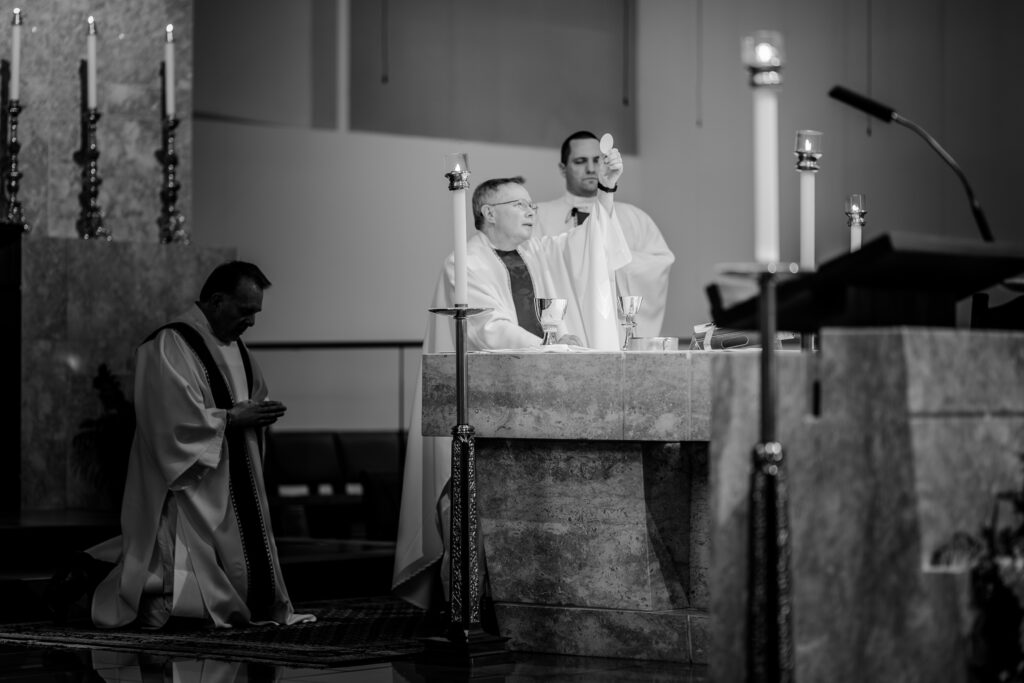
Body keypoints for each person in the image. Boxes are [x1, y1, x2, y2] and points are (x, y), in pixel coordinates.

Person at [392, 147, 632, 610]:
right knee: (474, 501)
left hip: (534, 393)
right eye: (519, 205)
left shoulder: (536, 251)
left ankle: (524, 598)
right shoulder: (465, 261)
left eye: (531, 205)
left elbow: (591, 245)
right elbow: (487, 327)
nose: (530, 211)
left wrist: (605, 189)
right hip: (485, 399)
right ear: (487, 212)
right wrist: (547, 348)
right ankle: (469, 603)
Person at [86, 261, 314, 629]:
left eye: (255, 313)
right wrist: (233, 419)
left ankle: (243, 604)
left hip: (234, 478)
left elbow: (249, 397)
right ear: (217, 300)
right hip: (191, 483)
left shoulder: (237, 349)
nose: (251, 323)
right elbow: (169, 420)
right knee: (181, 591)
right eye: (245, 311)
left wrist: (259, 413)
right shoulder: (169, 344)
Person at [536, 130, 675, 338]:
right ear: (563, 169)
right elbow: (533, 271)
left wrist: (612, 259)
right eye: (580, 161)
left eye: (597, 160)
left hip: (616, 330)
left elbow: (660, 264)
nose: (591, 168)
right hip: (565, 330)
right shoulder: (538, 216)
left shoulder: (635, 217)